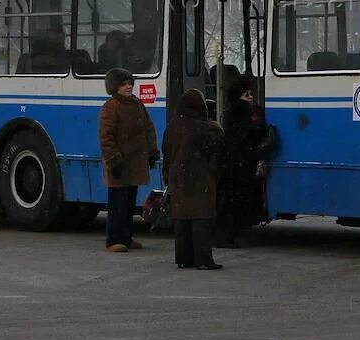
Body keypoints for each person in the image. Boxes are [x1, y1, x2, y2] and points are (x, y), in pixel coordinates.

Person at [163, 88, 225, 270]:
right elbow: (216, 147)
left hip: (177, 177)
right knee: (201, 217)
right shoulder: (202, 128)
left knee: (181, 218)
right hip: (199, 178)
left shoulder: (172, 126)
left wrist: (168, 175)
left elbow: (167, 154)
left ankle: (183, 258)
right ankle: (203, 259)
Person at [98, 68, 159, 252]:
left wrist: (152, 151)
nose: (128, 87)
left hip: (134, 162)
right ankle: (114, 239)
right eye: (123, 84)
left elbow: (148, 128)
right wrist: (113, 160)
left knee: (129, 202)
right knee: (117, 203)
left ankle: (127, 237)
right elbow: (106, 137)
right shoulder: (111, 107)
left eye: (130, 83)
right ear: (114, 87)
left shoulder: (137, 104)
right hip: (119, 163)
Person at [215, 75, 275, 247]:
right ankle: (226, 236)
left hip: (234, 165)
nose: (250, 97)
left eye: (251, 94)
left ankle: (224, 235)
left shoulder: (233, 113)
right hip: (238, 166)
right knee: (234, 202)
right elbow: (245, 139)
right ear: (238, 97)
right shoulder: (241, 113)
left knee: (230, 202)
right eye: (246, 95)